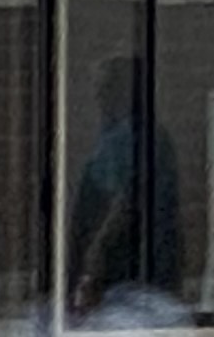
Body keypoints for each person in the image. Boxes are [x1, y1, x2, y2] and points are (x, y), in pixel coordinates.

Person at [64, 56, 182, 320]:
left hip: (125, 270)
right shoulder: (144, 136)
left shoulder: (129, 138)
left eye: (104, 89)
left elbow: (121, 203)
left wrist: (94, 255)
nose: (98, 98)